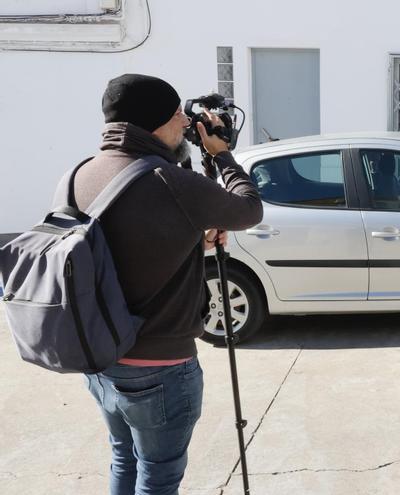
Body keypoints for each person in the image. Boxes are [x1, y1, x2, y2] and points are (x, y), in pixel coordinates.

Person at [75, 74, 262, 494]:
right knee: (158, 477)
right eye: (176, 111)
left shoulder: (78, 175)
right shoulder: (167, 180)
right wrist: (222, 154)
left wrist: (193, 234)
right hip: (160, 367)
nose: (184, 120)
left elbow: (124, 242)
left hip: (100, 358)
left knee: (124, 460)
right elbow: (249, 209)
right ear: (155, 121)